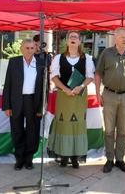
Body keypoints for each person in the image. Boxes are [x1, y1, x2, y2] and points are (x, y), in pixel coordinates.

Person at [95, 27, 125, 173]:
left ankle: (120, 159)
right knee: (109, 130)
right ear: (115, 38)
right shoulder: (106, 53)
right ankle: (109, 159)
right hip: (109, 95)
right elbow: (98, 74)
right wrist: (97, 94)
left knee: (122, 130)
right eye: (122, 37)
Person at [48, 31, 95, 168]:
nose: (73, 39)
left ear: (80, 41)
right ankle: (64, 155)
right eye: (70, 37)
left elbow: (90, 76)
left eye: (76, 37)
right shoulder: (58, 58)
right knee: (64, 124)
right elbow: (54, 77)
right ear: (67, 41)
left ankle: (75, 156)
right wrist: (65, 89)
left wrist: (80, 86)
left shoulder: (87, 58)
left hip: (79, 96)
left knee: (78, 124)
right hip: (64, 96)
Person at [2, 39, 46, 170]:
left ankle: (29, 159)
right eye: (27, 48)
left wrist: (41, 106)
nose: (29, 50)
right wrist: (7, 106)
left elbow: (45, 86)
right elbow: (8, 84)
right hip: (16, 100)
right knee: (17, 130)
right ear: (21, 49)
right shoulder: (14, 62)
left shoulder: (41, 63)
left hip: (34, 101)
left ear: (35, 49)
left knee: (32, 131)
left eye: (32, 48)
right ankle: (19, 159)